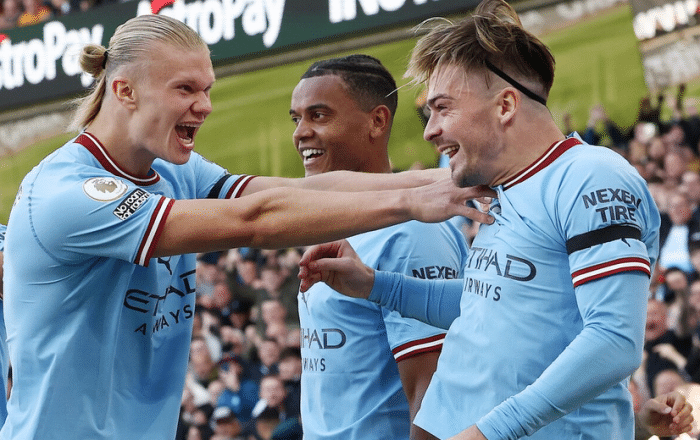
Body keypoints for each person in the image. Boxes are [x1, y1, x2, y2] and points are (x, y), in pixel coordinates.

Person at [1, 14, 494, 440]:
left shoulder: (175, 171)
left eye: (207, 89)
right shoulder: (68, 194)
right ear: (124, 90)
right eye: (185, 89)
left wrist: (448, 178)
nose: (205, 105)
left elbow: (293, 191)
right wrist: (410, 201)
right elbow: (254, 220)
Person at [297, 0, 694, 438]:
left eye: (443, 108)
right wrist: (376, 286)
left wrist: (489, 431)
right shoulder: (507, 188)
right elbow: (483, 305)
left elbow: (614, 341)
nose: (429, 130)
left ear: (505, 105)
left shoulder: (590, 176)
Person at [288, 54, 470, 439]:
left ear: (377, 121)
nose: (301, 132)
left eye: (318, 115)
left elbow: (434, 395)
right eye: (296, 119)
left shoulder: (412, 234)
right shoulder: (335, 226)